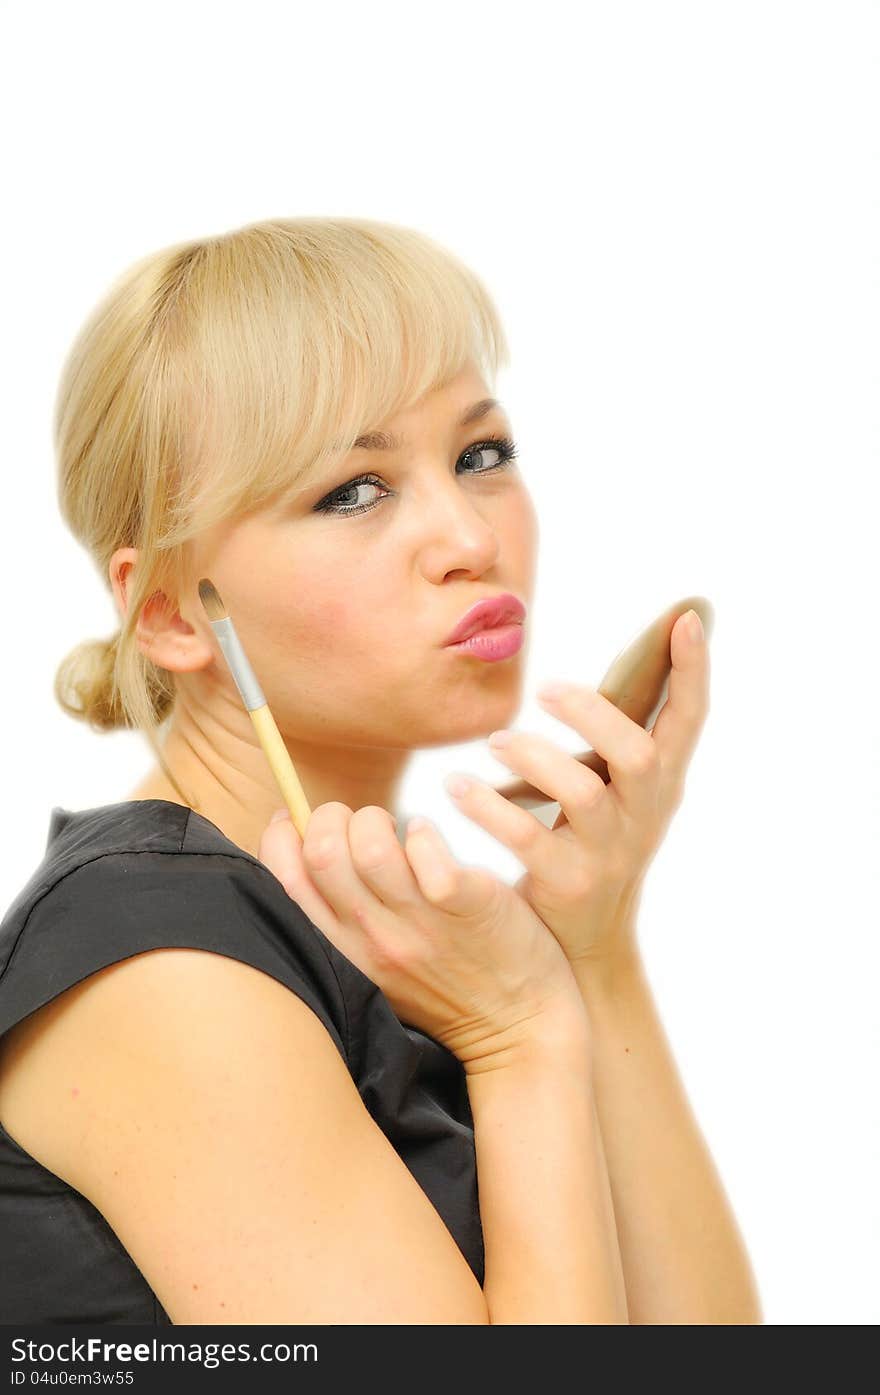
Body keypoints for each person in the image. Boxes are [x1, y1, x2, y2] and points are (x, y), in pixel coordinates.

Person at [0, 217, 761, 1324]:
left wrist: (591, 947)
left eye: (478, 456)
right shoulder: (164, 968)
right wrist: (520, 1036)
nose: (468, 535)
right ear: (169, 613)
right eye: (352, 491)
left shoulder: (388, 937)